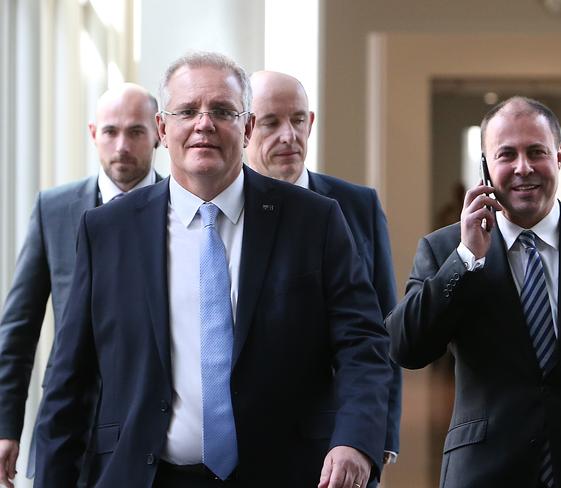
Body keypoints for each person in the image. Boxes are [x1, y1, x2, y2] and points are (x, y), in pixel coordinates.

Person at [34, 52, 392, 488]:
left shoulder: (313, 220)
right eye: (187, 111)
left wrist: (355, 438)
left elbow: (363, 343)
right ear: (164, 130)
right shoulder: (107, 231)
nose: (204, 123)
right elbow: (69, 381)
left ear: (246, 127)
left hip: (285, 474)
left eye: (222, 111)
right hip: (145, 476)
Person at [387, 96, 561, 487]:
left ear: (559, 157)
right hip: (484, 472)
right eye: (506, 154)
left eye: (536, 152)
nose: (523, 167)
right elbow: (405, 348)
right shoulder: (445, 250)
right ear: (486, 167)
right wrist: (466, 258)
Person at [0, 82, 160, 487]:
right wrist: (6, 425)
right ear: (93, 134)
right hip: (70, 424)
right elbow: (19, 327)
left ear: (158, 132)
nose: (122, 144)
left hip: (153, 431)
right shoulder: (54, 209)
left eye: (136, 131)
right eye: (110, 131)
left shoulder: (182, 209)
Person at [245, 70, 402, 473]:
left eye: (298, 120)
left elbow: (383, 328)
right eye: (270, 122)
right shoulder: (226, 213)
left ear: (311, 122)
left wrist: (379, 435)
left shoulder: (358, 205)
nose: (288, 135)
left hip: (340, 433)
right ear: (246, 128)